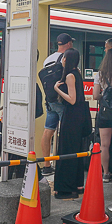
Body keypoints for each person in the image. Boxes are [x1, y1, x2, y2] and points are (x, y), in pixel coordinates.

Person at [53, 48, 90, 199]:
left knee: (66, 150)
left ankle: (65, 188)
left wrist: (57, 89)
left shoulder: (69, 76)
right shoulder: (77, 73)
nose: (62, 60)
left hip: (72, 117)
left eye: (64, 58)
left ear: (67, 60)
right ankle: (78, 185)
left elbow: (72, 99)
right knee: (76, 150)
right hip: (80, 116)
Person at [39, 33, 74, 175]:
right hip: (62, 100)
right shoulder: (67, 58)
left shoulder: (48, 59)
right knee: (66, 133)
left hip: (50, 100)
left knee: (48, 131)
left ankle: (47, 165)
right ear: (69, 44)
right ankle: (64, 165)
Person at [92, 38, 112, 183]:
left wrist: (105, 95)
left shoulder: (100, 74)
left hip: (105, 112)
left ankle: (106, 173)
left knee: (105, 145)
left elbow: (95, 96)